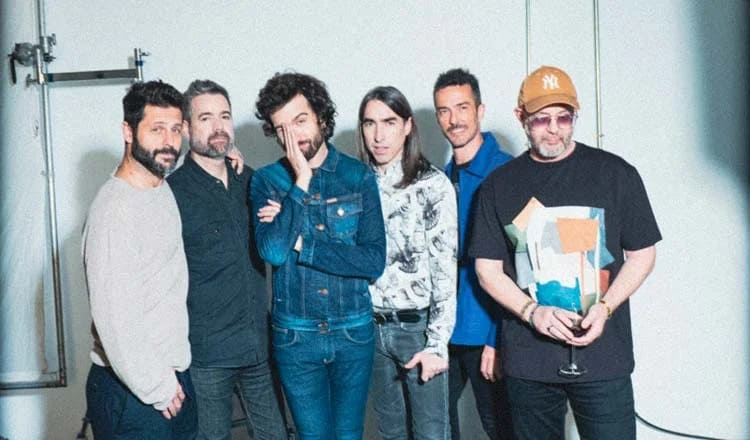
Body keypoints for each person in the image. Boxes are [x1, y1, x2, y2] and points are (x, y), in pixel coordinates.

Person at [469, 65, 661, 439]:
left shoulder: (616, 174)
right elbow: (486, 270)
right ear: (520, 117)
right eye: (542, 119)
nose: (554, 129)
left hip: (603, 355)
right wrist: (532, 311)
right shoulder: (498, 186)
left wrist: (605, 308)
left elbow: (642, 254)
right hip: (530, 360)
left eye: (564, 117)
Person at [251, 72, 386, 440]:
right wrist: (301, 181)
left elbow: (373, 261)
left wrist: (300, 241)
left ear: (322, 118)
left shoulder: (357, 176)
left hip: (352, 331)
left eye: (300, 120)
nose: (293, 135)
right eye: (281, 128)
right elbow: (273, 251)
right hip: (296, 336)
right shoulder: (267, 180)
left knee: (348, 435)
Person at [167, 79, 288, 440]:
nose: (218, 126)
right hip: (206, 356)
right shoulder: (171, 193)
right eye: (205, 118)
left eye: (224, 116)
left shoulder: (252, 182)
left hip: (258, 349)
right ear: (186, 129)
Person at [82, 80, 197, 439]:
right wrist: (158, 387)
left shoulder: (159, 187)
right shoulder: (115, 210)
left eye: (176, 129)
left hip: (170, 377)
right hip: (136, 389)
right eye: (157, 129)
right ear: (128, 131)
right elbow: (116, 320)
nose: (169, 141)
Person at [357, 86, 457, 440]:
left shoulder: (433, 185)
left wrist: (436, 344)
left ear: (407, 126)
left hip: (417, 328)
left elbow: (445, 271)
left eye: (389, 122)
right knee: (390, 434)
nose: (378, 135)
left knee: (431, 434)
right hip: (370, 329)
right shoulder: (356, 183)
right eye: (369, 123)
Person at [433, 68, 513, 439]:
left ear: (480, 111)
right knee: (434, 427)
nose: (454, 119)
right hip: (444, 332)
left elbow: (521, 265)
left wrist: (497, 338)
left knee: (501, 428)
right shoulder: (441, 177)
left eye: (462, 107)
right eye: (444, 111)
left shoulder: (507, 172)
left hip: (487, 331)